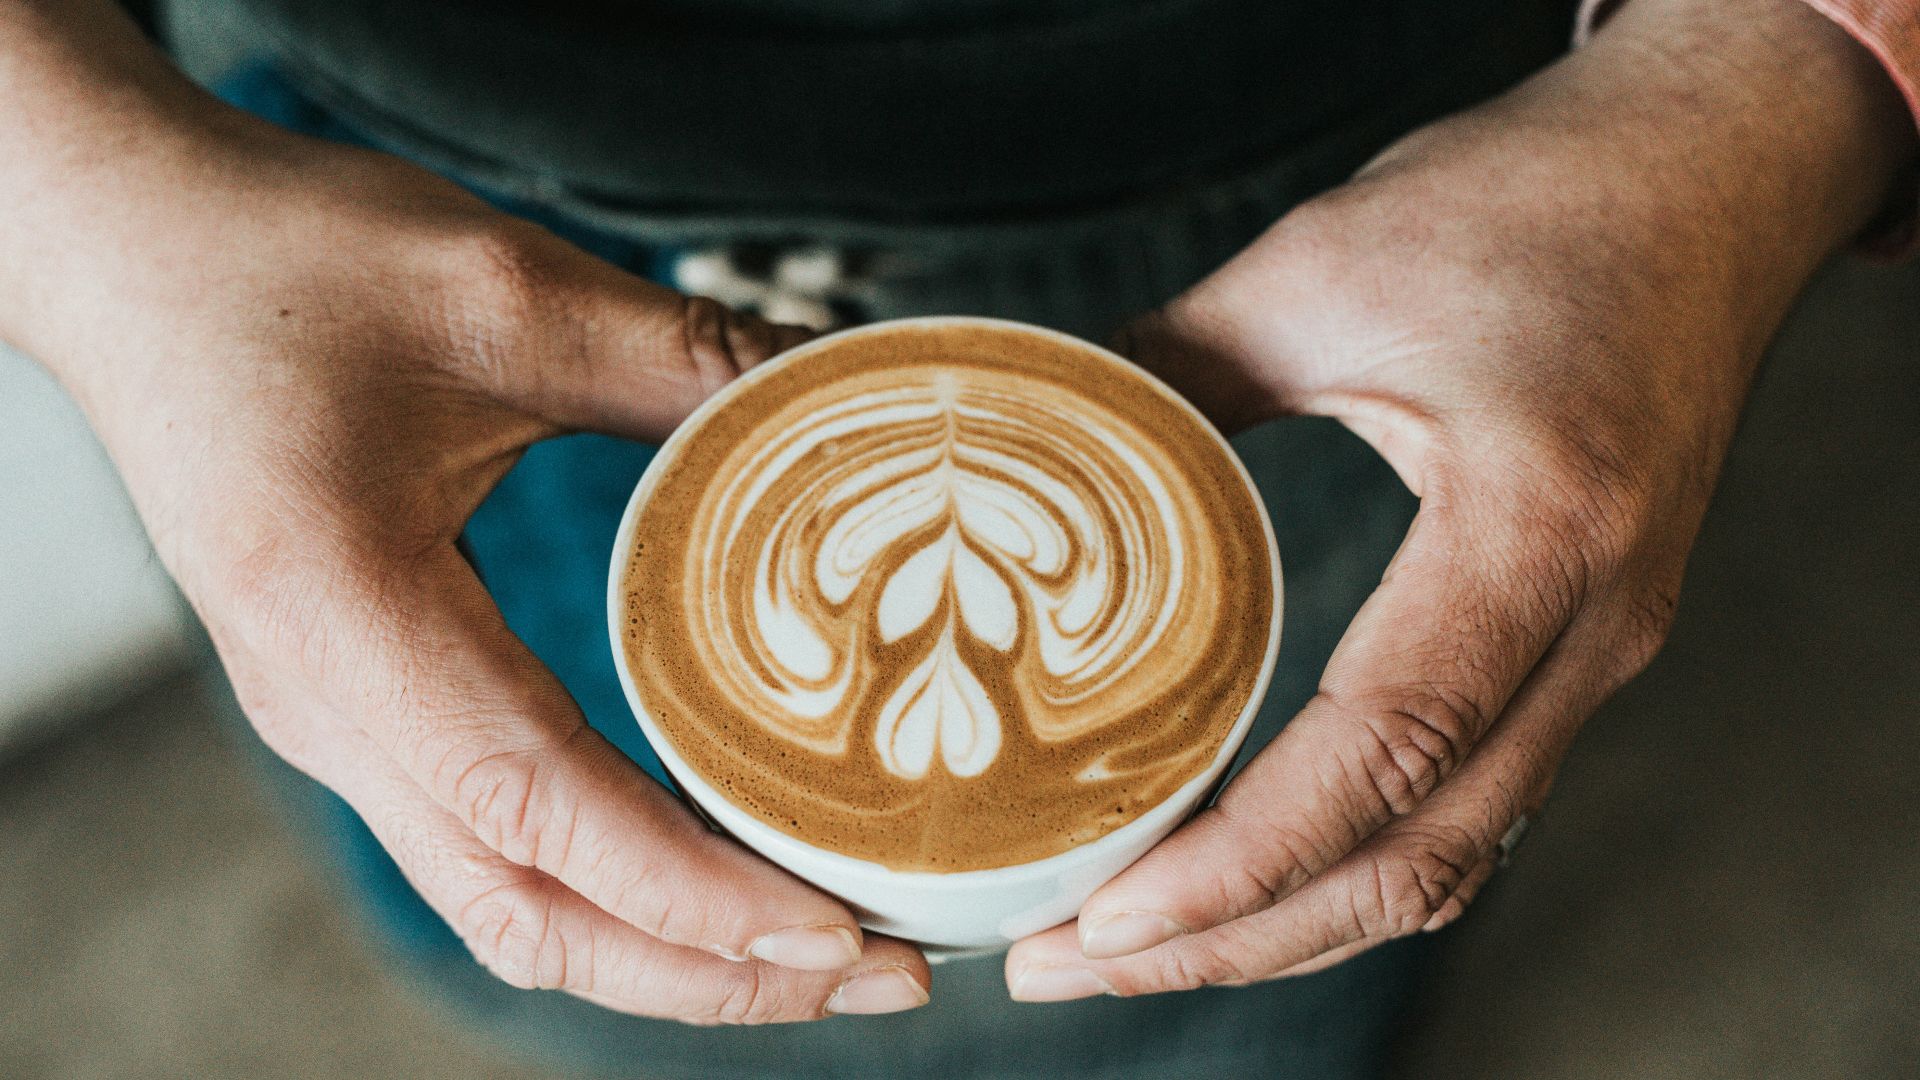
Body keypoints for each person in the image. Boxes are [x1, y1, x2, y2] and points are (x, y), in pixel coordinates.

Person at [3, 0, 1914, 1075]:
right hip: (344, 221)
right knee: (594, 962)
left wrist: (1767, 76)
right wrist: (69, 194)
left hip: (1378, 201)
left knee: (1261, 945)